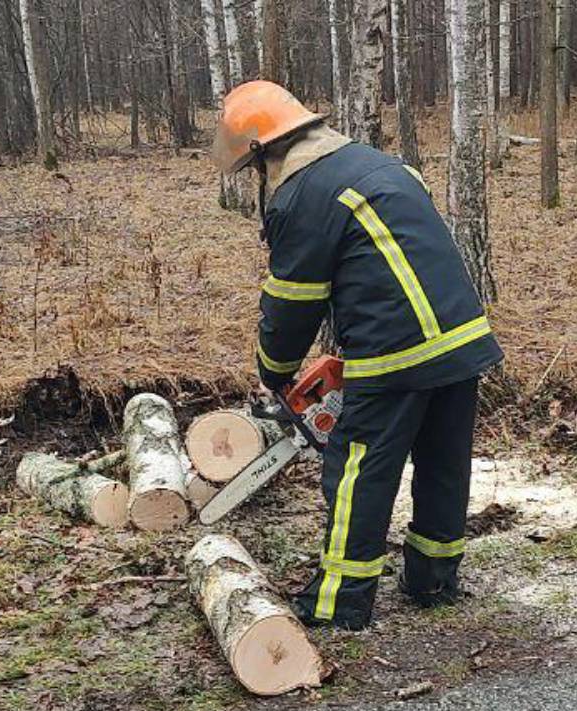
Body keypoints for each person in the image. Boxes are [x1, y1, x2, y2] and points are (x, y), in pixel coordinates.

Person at [212, 80, 503, 631]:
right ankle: (433, 578)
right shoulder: (379, 166)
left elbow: (293, 299)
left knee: (357, 470)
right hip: (461, 335)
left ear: (260, 151)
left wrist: (273, 373)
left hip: (395, 351)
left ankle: (340, 601)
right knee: (443, 461)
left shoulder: (304, 194)